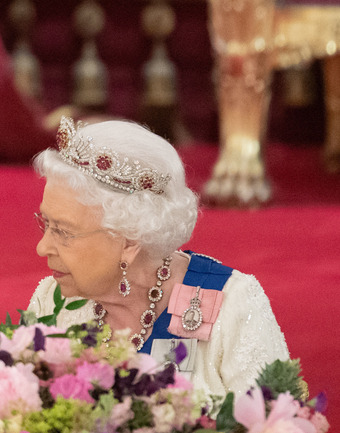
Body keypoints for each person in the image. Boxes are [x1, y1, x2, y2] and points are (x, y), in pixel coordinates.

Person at [27, 116, 289, 400]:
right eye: (46, 224)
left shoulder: (232, 305)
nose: (42, 247)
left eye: (63, 231)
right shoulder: (52, 304)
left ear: (129, 239)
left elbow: (278, 424)